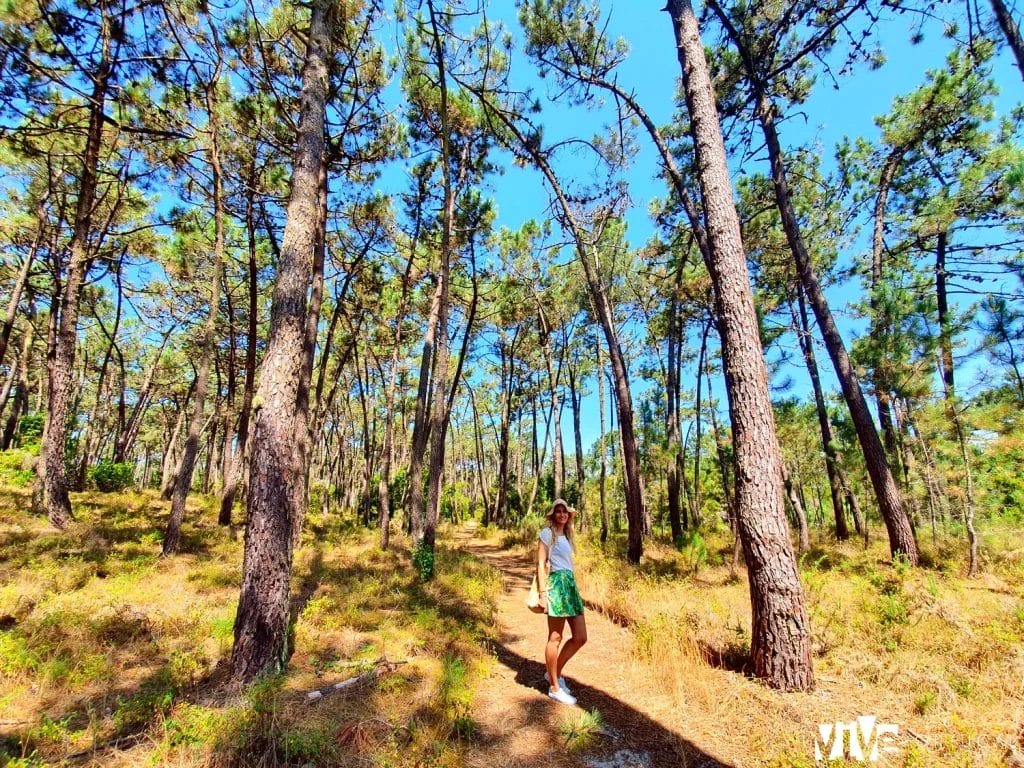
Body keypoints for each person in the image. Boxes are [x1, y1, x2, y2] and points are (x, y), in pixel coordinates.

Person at [537, 498, 587, 706]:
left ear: (568, 516)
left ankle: (553, 672)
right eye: (558, 511)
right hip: (556, 586)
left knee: (580, 637)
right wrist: (542, 593)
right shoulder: (547, 534)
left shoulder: (567, 536)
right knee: (555, 638)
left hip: (570, 587)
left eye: (564, 512)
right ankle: (554, 687)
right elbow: (540, 563)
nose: (562, 515)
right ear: (553, 515)